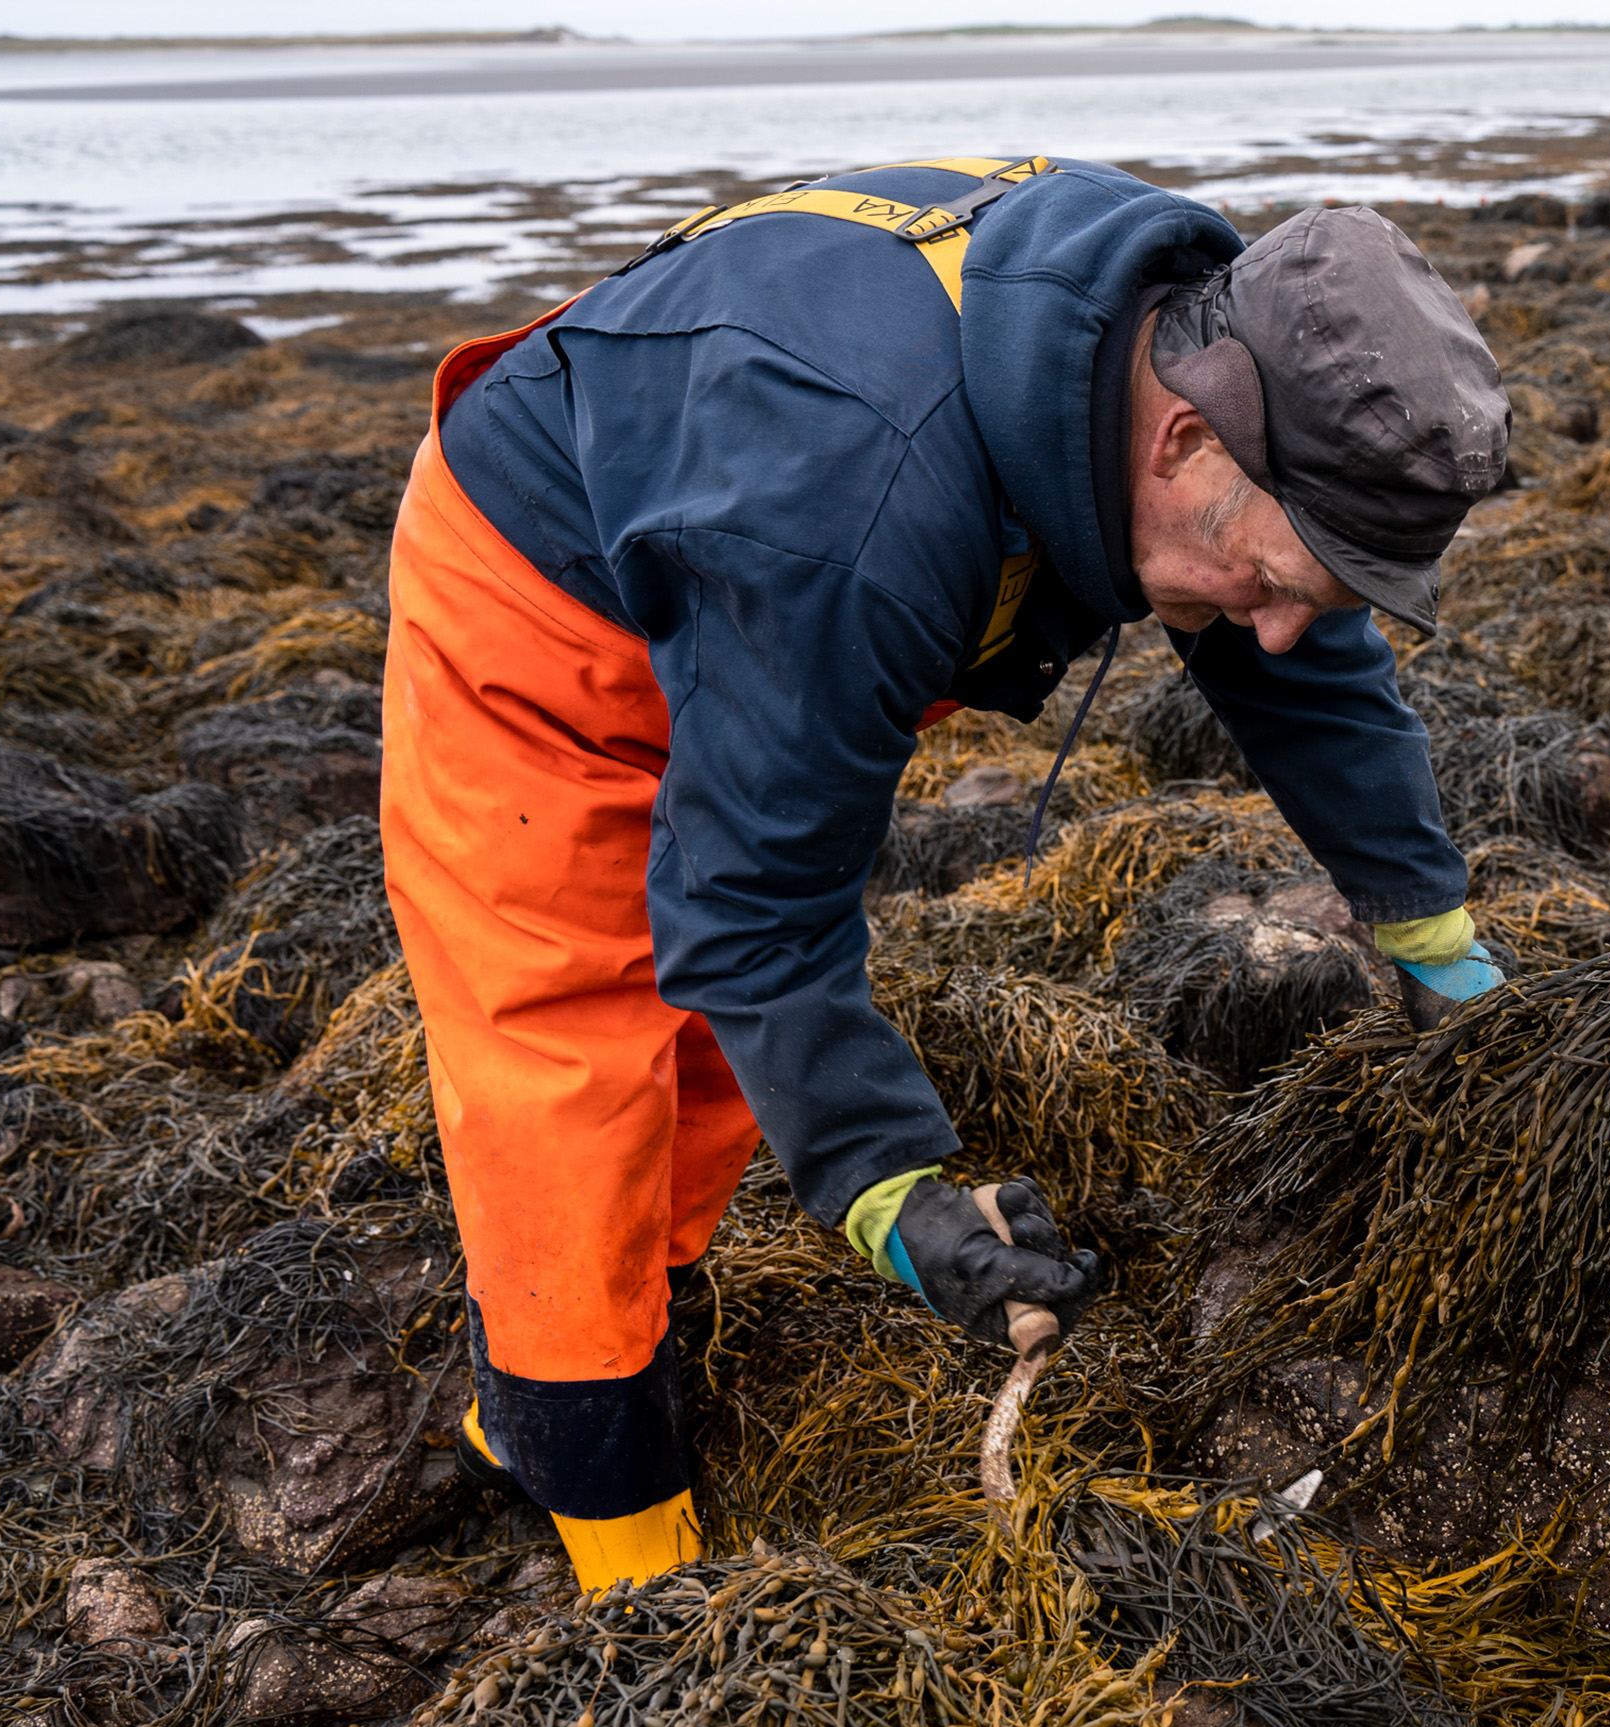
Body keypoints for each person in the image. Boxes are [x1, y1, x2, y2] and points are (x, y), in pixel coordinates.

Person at [380, 156, 1511, 1597]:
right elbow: (754, 910)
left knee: (723, 1060)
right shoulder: (857, 507)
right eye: (1279, 583)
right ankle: (615, 1535)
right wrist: (893, 1192)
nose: (1277, 629)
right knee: (576, 1049)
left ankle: (607, 1340)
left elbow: (1308, 671)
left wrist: (1437, 943)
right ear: (1179, 441)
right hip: (546, 583)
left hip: (764, 535)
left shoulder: (1217, 352)